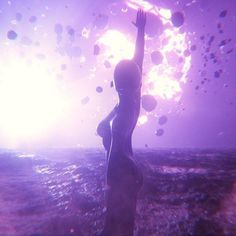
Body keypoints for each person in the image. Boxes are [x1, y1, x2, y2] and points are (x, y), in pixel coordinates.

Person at [97, 9, 146, 236]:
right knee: (121, 226)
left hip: (121, 173)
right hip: (123, 174)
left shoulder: (126, 105)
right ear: (136, 81)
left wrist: (141, 32)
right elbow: (138, 62)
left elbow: (138, 61)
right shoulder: (131, 103)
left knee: (116, 226)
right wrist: (141, 32)